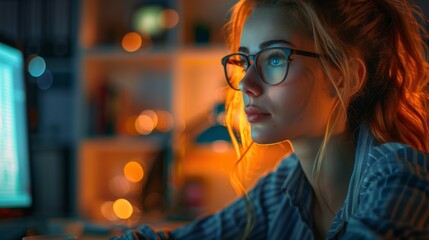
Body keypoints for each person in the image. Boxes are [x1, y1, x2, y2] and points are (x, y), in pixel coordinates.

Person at [112, 0, 429, 239]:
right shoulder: (283, 185)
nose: (245, 84)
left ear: (346, 78)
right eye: (245, 60)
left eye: (275, 57)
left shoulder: (398, 175)